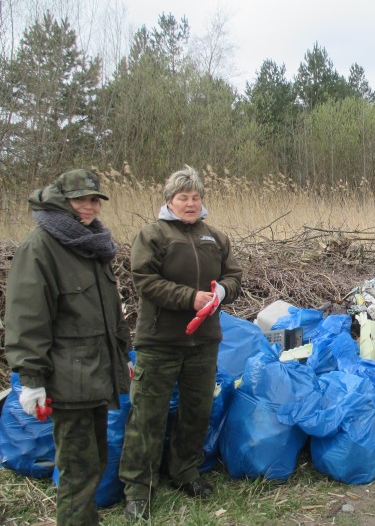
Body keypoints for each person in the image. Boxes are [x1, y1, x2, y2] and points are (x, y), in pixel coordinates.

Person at [5, 169, 131, 526]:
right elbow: (27, 319)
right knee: (78, 469)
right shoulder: (41, 247)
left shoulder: (89, 244)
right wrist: (31, 379)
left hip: (95, 373)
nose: (89, 207)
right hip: (66, 377)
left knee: (94, 463)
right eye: (80, 200)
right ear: (62, 201)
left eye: (94, 200)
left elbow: (107, 314)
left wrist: (120, 358)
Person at [119, 166, 242, 520]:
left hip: (204, 342)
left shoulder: (214, 237)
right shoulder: (153, 235)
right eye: (183, 197)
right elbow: (144, 279)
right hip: (160, 340)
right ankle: (138, 488)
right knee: (147, 415)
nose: (190, 203)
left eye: (195, 197)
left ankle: (185, 472)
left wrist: (223, 292)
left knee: (196, 410)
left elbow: (234, 275)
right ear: (169, 200)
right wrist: (190, 298)